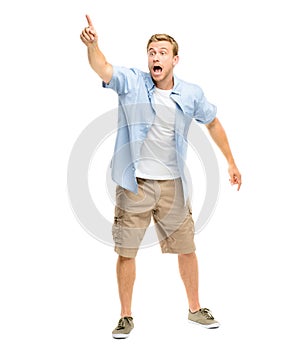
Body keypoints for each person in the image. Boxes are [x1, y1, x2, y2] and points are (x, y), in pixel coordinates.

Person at [80, 14, 242, 339]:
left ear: (175, 59)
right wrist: (93, 45)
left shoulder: (191, 93)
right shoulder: (132, 82)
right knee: (126, 251)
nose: (156, 57)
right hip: (134, 185)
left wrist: (230, 162)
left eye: (162, 52)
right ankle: (126, 316)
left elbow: (212, 122)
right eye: (152, 52)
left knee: (187, 248)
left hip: (173, 187)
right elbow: (103, 68)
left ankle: (195, 309)